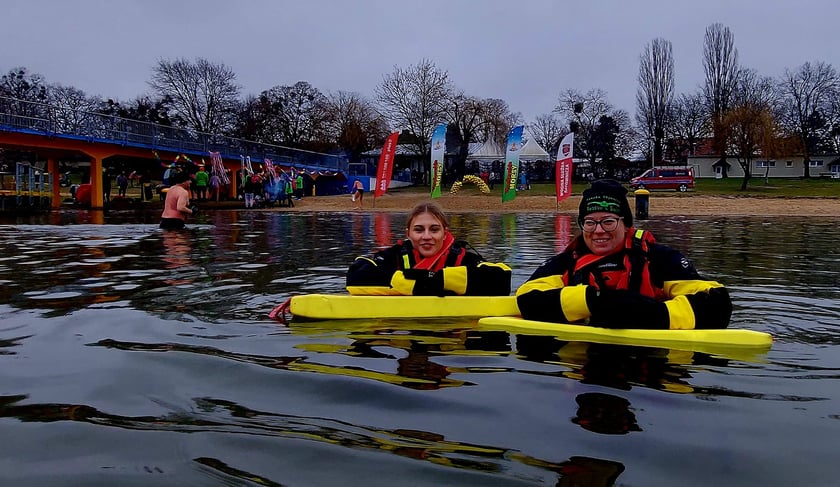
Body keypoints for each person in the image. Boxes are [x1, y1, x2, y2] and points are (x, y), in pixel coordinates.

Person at [516, 179, 732, 329]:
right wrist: (594, 302)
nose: (598, 231)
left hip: (650, 363)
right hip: (581, 358)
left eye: (608, 221)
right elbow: (526, 298)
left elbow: (718, 303)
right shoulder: (569, 260)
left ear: (626, 224)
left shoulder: (658, 259)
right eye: (590, 223)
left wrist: (643, 314)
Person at [346, 201, 512, 296]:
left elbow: (502, 279)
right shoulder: (396, 254)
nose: (426, 236)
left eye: (434, 229)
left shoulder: (460, 257)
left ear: (444, 233)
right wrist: (419, 284)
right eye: (418, 230)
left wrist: (436, 279)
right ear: (408, 233)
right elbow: (356, 274)